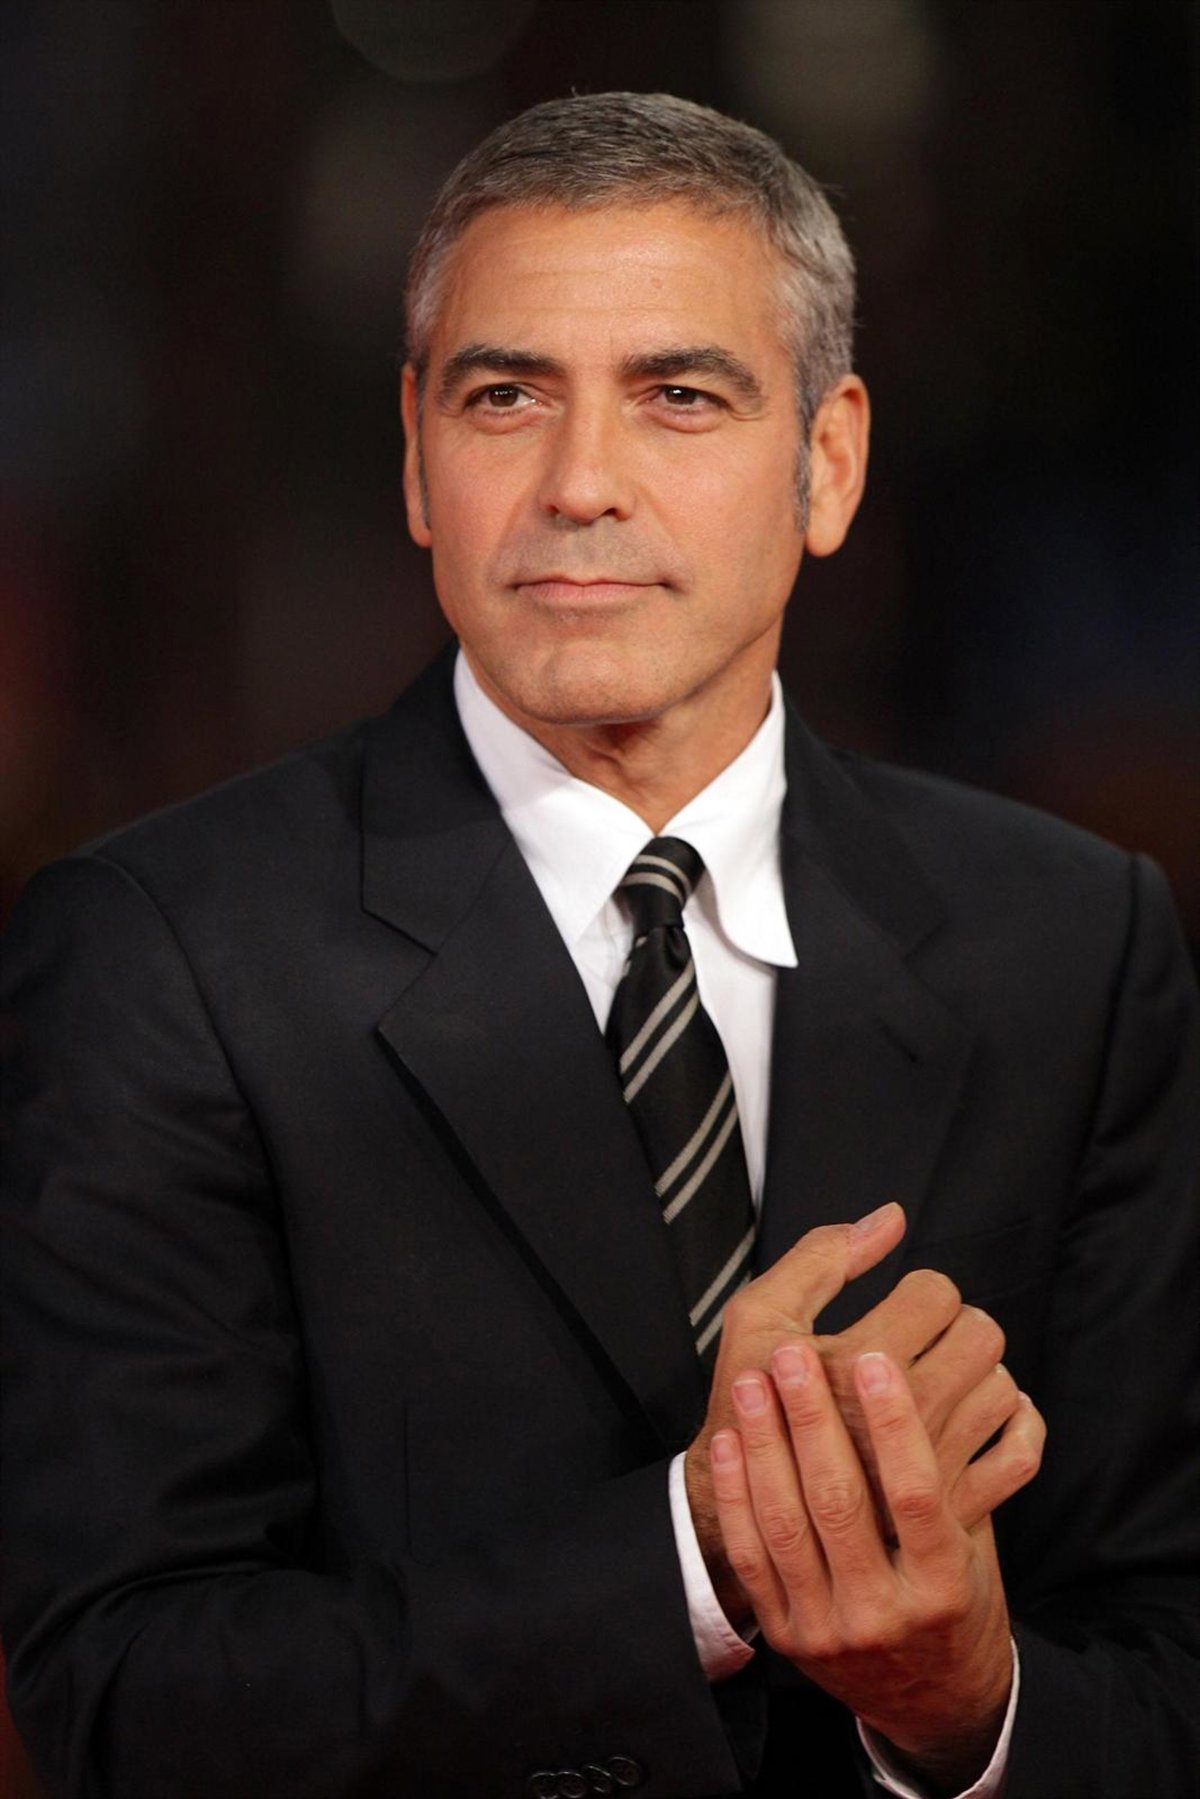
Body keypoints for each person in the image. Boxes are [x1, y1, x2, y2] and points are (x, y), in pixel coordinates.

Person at [1, 92, 1197, 1799]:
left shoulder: (1074, 945)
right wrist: (700, 1559)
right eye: (504, 398)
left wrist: (961, 1712)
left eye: (679, 397)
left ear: (830, 461)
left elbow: (1166, 1665)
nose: (577, 487)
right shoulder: (159, 957)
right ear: (415, 459)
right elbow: (125, 1704)